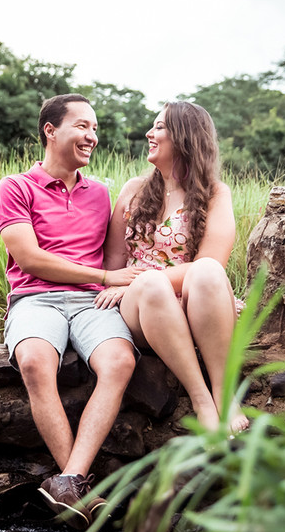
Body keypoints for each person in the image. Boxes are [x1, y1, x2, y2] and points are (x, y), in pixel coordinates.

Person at [0, 93, 144, 530]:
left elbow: (126, 252)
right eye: (82, 126)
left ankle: (69, 482)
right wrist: (102, 278)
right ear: (51, 130)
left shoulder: (100, 193)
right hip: (35, 298)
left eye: (95, 128)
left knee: (119, 361)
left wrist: (111, 282)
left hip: (89, 303)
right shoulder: (16, 187)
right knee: (36, 361)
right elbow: (29, 259)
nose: (92, 136)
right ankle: (77, 483)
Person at [96, 101, 250, 435]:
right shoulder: (134, 190)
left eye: (160, 127)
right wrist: (127, 284)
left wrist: (160, 280)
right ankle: (201, 399)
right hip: (141, 304)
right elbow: (112, 264)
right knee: (152, 285)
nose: (150, 134)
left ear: (185, 137)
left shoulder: (214, 194)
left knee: (208, 270)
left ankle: (224, 394)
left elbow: (213, 262)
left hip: (192, 302)